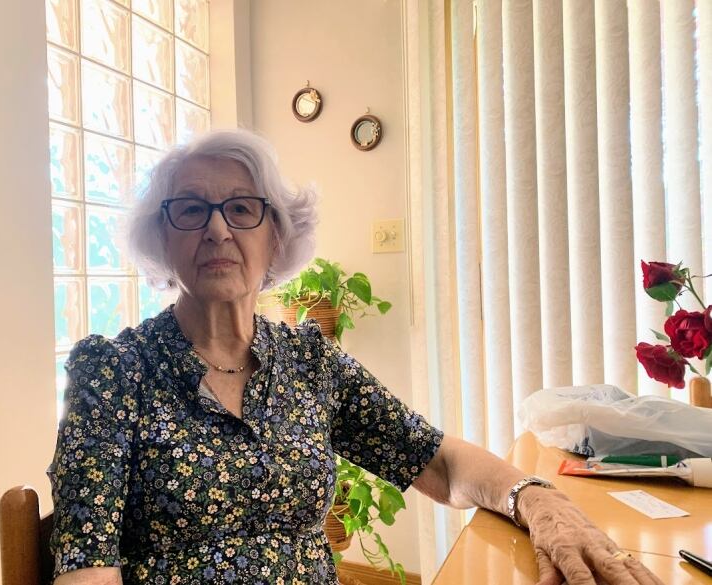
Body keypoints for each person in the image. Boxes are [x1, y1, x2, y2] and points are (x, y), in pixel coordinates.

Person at [48, 130, 662, 585]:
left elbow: (440, 463)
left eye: (241, 208)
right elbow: (87, 570)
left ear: (277, 236)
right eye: (191, 209)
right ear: (161, 236)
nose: (217, 230)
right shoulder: (113, 371)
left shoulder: (308, 360)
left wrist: (538, 500)